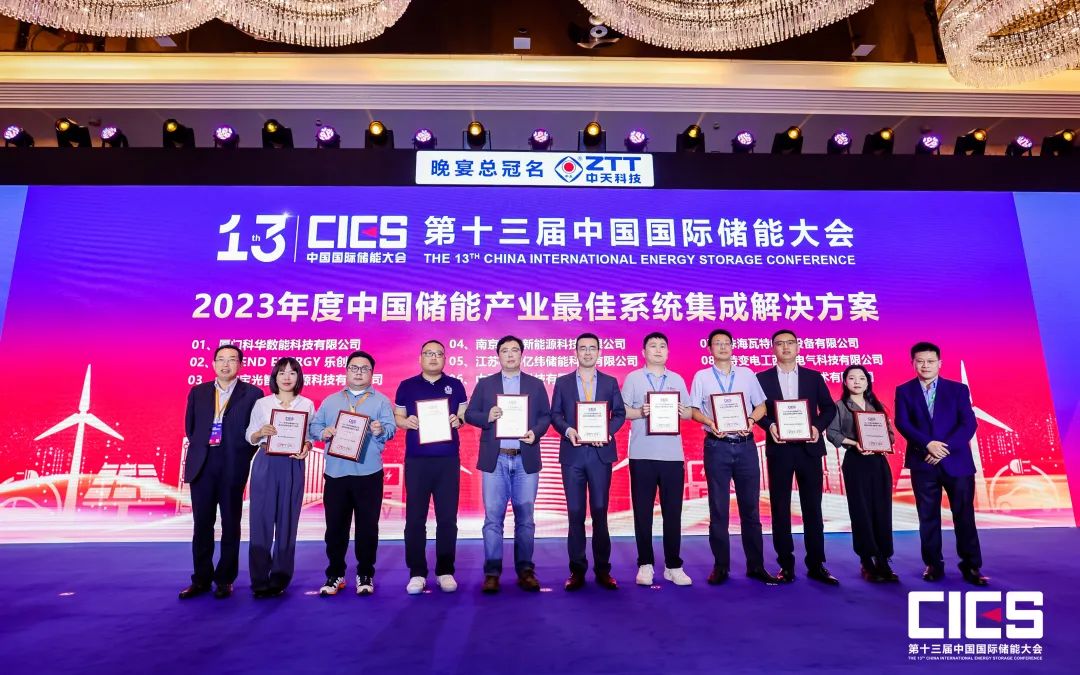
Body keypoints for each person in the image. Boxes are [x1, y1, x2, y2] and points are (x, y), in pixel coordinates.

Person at [894, 341, 986, 585]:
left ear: (940, 363)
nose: (925, 365)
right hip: (923, 463)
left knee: (964, 515)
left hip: (956, 462)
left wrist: (943, 449)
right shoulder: (904, 391)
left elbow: (968, 423)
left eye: (930, 361)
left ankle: (971, 566)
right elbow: (903, 423)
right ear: (912, 363)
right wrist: (928, 444)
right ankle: (933, 564)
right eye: (920, 361)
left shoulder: (958, 390)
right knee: (928, 517)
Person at [464, 335, 551, 593]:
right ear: (498, 355)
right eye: (505, 350)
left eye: (515, 350)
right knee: (493, 518)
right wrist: (487, 416)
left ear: (522, 354)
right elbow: (469, 414)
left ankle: (525, 570)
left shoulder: (535, 384)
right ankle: (492, 572)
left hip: (525, 457)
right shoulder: (485, 384)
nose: (510, 354)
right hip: (496, 458)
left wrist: (536, 432)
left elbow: (545, 417)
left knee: (526, 518)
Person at [688, 329, 775, 586]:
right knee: (718, 509)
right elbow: (693, 410)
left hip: (746, 446)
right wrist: (709, 422)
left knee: (751, 509)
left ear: (733, 346)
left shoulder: (747, 374)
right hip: (717, 446)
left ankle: (756, 566)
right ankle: (721, 567)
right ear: (709, 349)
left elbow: (761, 406)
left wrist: (750, 420)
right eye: (718, 343)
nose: (723, 347)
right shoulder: (702, 376)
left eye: (727, 343)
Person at [309, 350, 397, 597]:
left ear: (372, 373)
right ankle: (335, 573)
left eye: (364, 368)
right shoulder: (330, 401)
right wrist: (324, 432)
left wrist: (381, 429)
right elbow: (314, 427)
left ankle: (365, 573)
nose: (359, 372)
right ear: (346, 371)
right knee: (335, 528)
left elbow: (391, 429)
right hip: (336, 473)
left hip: (369, 473)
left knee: (367, 528)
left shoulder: (381, 401)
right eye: (354, 368)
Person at [179, 344, 263, 600]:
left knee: (230, 523)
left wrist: (240, 456)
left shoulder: (253, 394)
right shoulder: (198, 392)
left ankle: (225, 579)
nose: (226, 364)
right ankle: (201, 579)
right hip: (203, 464)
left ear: (241, 365)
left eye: (232, 359)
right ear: (213, 364)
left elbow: (254, 431)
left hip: (232, 464)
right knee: (202, 524)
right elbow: (191, 428)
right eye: (221, 359)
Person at [756, 329, 839, 585]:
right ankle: (786, 565)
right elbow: (756, 411)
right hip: (779, 449)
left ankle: (816, 564)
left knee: (812, 508)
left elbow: (829, 408)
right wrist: (770, 425)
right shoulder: (762, 378)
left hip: (809, 449)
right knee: (780, 508)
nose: (785, 347)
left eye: (790, 343)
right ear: (773, 348)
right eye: (780, 343)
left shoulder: (814, 377)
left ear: (798, 346)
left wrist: (817, 427)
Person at [550, 332, 626, 591]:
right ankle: (577, 570)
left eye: (592, 348)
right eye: (582, 348)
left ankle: (603, 570)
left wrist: (607, 432)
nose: (587, 352)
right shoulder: (562, 382)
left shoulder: (610, 381)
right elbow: (555, 415)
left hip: (600, 454)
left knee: (600, 511)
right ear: (575, 352)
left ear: (599, 352)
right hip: (572, 454)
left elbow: (619, 413)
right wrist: (568, 430)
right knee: (575, 513)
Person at [394, 339, 468, 594]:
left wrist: (458, 420)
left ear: (445, 358)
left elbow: (464, 414)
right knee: (415, 518)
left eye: (438, 354)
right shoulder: (407, 386)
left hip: (447, 460)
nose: (433, 357)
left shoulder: (455, 385)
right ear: (420, 358)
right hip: (417, 460)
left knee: (447, 518)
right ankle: (417, 572)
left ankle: (445, 570)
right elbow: (398, 416)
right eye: (428, 353)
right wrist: (405, 422)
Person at [621, 332, 693, 587]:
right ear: (644, 352)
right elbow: (622, 411)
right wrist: (640, 411)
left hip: (672, 456)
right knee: (643, 512)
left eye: (663, 346)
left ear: (668, 352)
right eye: (653, 346)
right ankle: (645, 564)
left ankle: (674, 565)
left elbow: (689, 413)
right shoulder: (634, 378)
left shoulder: (677, 379)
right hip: (642, 454)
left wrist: (683, 411)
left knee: (673, 512)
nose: (658, 350)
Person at [244, 357, 315, 598]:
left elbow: (309, 436)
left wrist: (307, 446)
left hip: (293, 463)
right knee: (261, 520)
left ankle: (281, 576)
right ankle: (259, 578)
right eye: (282, 372)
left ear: (299, 377)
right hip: (266, 460)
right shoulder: (263, 403)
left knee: (287, 520)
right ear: (274, 377)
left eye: (292, 372)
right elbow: (249, 435)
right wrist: (260, 432)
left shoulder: (307, 404)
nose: (287, 377)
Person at [825, 365, 898, 583]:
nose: (857, 382)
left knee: (882, 510)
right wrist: (855, 443)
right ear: (844, 382)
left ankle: (883, 559)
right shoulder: (839, 406)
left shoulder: (877, 405)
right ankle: (867, 560)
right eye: (852, 378)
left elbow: (891, 435)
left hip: (878, 462)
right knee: (861, 511)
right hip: (856, 462)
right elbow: (832, 434)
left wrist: (882, 443)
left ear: (868, 382)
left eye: (862, 378)